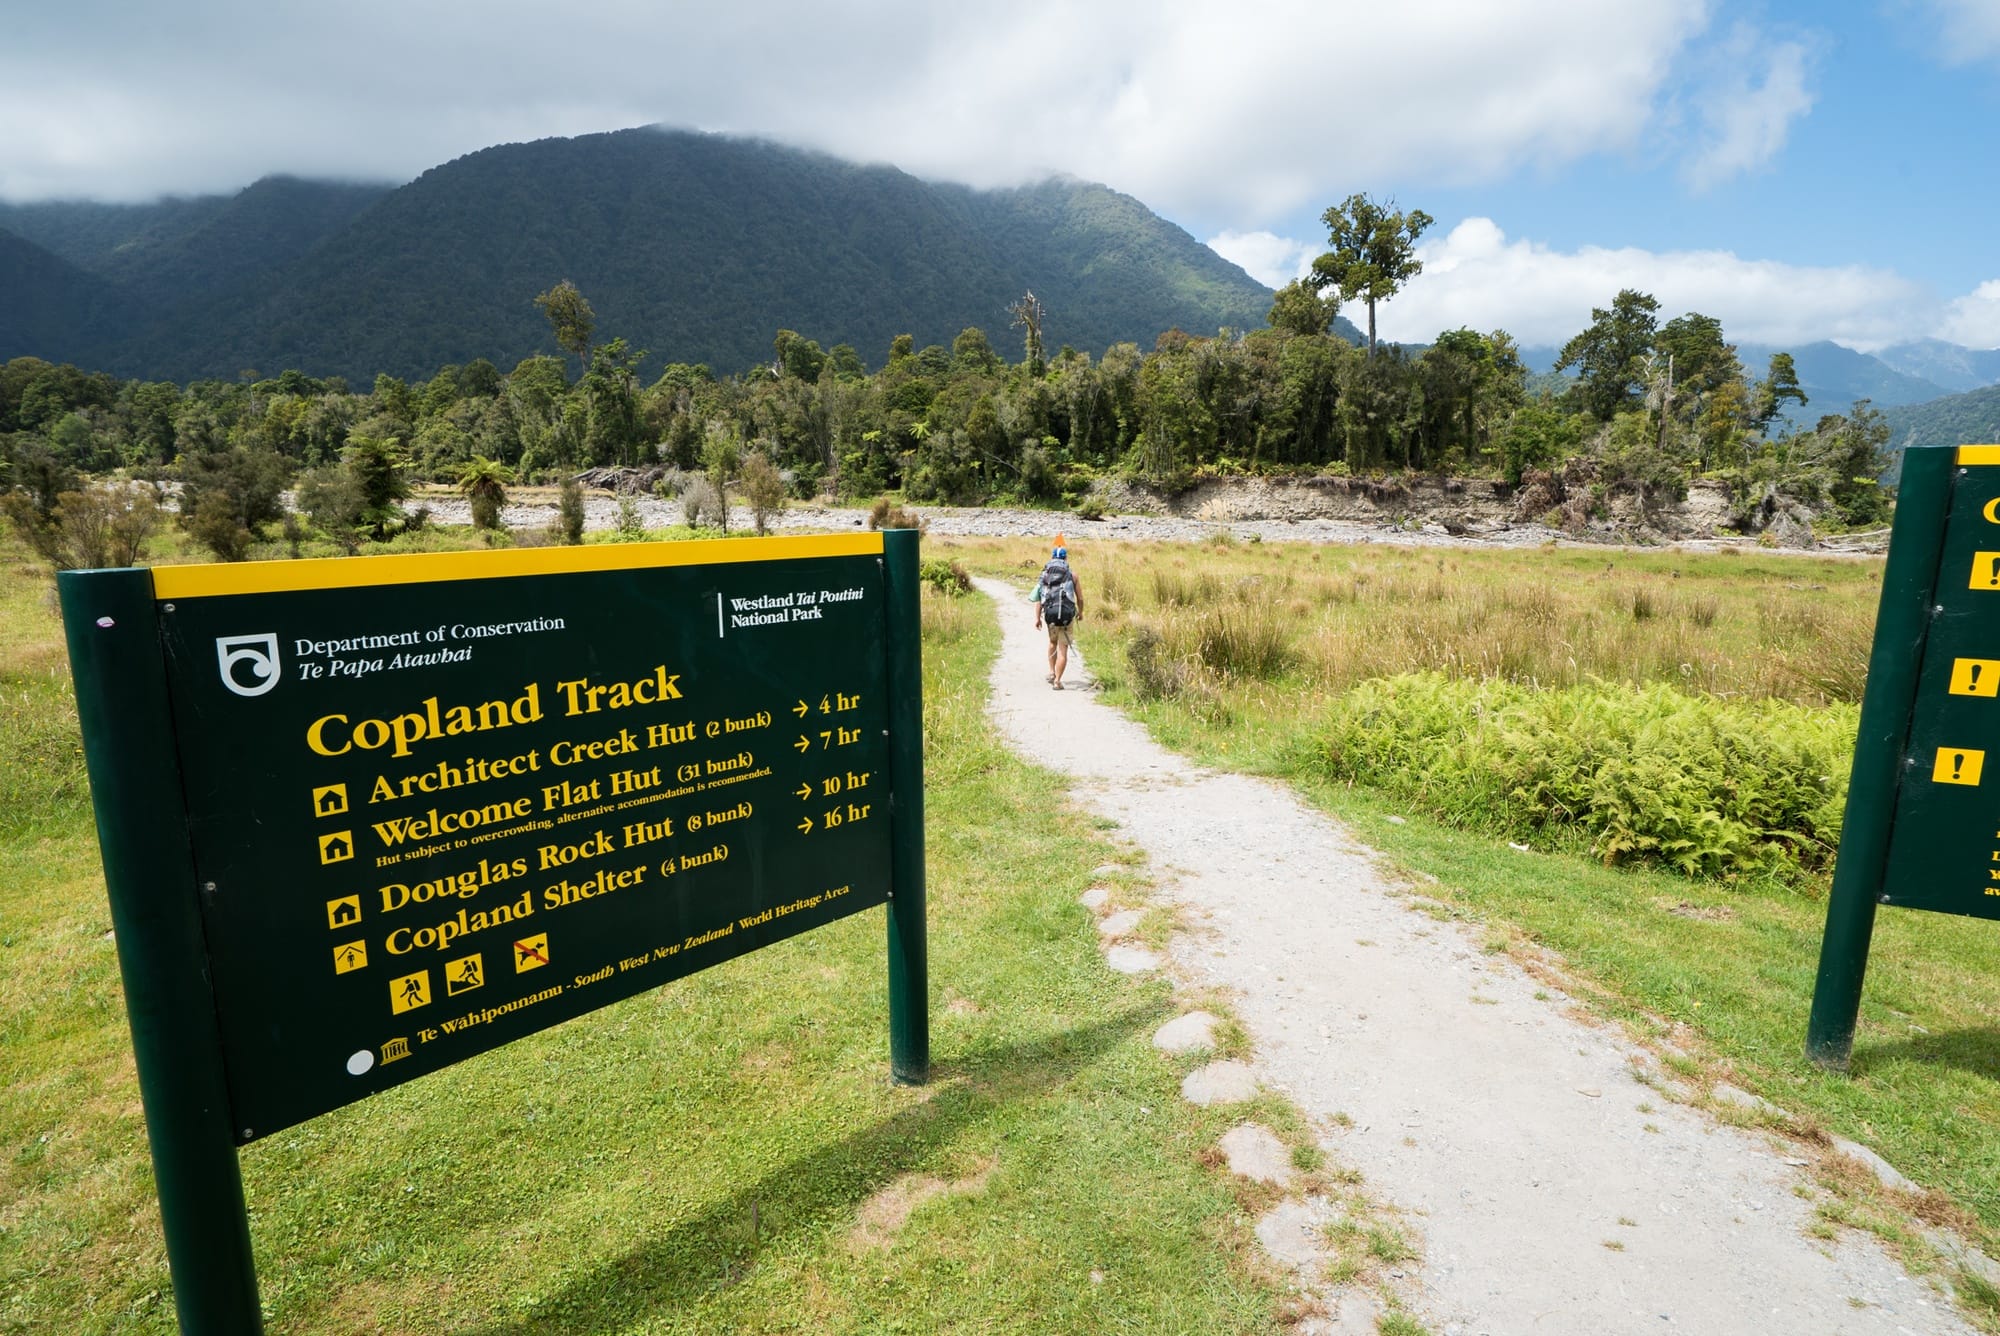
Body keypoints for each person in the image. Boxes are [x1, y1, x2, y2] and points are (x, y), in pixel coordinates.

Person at [1033, 541, 1082, 689]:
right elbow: (1080, 598)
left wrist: (1037, 618)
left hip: (1050, 615)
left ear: (1052, 558)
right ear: (1066, 559)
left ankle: (1051, 672)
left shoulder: (1045, 574)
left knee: (1052, 642)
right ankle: (1058, 681)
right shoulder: (1073, 575)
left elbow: (1039, 598)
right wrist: (1081, 612)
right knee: (1063, 648)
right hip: (1067, 616)